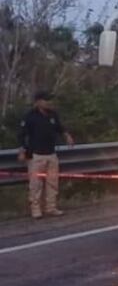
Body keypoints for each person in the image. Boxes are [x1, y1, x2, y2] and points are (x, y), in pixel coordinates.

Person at [18, 91, 74, 219]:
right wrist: (22, 151)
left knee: (52, 183)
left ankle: (51, 207)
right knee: (36, 184)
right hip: (36, 155)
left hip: (51, 153)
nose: (49, 102)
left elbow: (60, 128)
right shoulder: (30, 116)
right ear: (38, 101)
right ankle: (36, 209)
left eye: (49, 100)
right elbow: (22, 134)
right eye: (46, 100)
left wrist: (67, 136)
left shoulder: (53, 114)